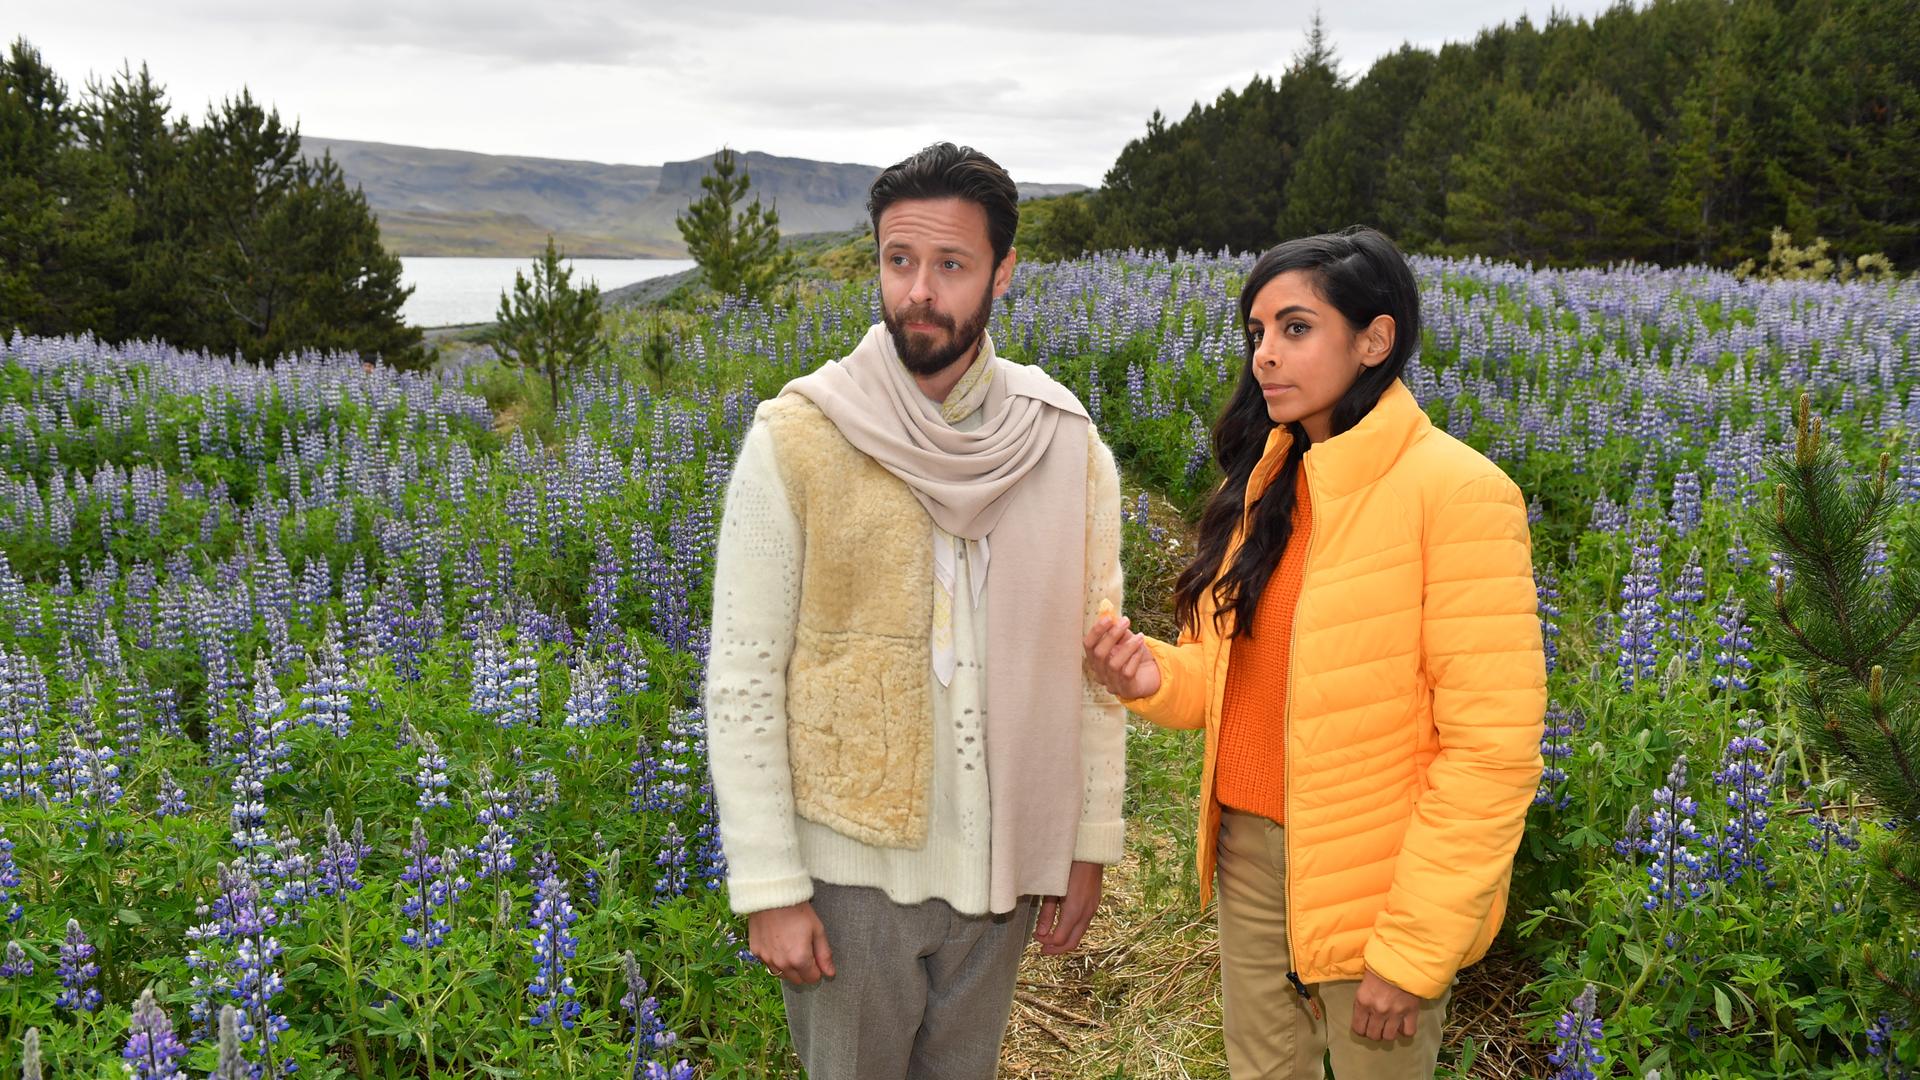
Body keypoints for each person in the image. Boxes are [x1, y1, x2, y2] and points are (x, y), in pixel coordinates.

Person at [703, 142, 1127, 1080]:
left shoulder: (1062, 444)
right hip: (851, 871)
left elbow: (1094, 671)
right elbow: (741, 675)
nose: (919, 292)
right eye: (899, 262)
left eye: (950, 265)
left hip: (1003, 862)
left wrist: (1087, 845)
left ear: (1003, 272)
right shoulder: (801, 435)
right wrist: (771, 884)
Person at [1084, 227, 1545, 1079]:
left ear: (1375, 340)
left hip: (1377, 879)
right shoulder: (1263, 483)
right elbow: (1224, 683)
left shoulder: (1461, 493)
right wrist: (1150, 674)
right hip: (1250, 862)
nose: (1266, 355)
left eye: (1295, 328)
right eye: (1256, 332)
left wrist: (1411, 951)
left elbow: (1494, 756)